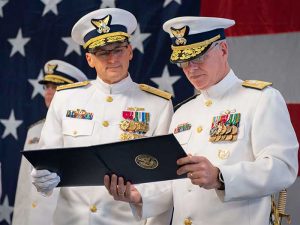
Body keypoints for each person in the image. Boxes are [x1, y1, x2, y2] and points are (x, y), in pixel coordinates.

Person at [104, 16, 299, 225]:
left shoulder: (261, 99)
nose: (191, 68)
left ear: (223, 50)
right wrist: (140, 196)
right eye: (183, 61)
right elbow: (176, 182)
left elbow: (282, 168)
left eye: (198, 57)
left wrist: (220, 176)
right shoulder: (182, 112)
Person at [30, 8, 174, 225]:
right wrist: (42, 178)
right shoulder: (65, 98)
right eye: (102, 52)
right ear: (89, 59)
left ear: (130, 51)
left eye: (118, 49)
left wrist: (140, 197)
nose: (113, 58)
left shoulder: (158, 104)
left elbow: (166, 178)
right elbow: (47, 160)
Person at [12, 60, 88, 225]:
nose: (49, 92)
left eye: (56, 87)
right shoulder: (33, 131)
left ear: (73, 92)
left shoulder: (86, 131)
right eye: (47, 87)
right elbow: (24, 188)